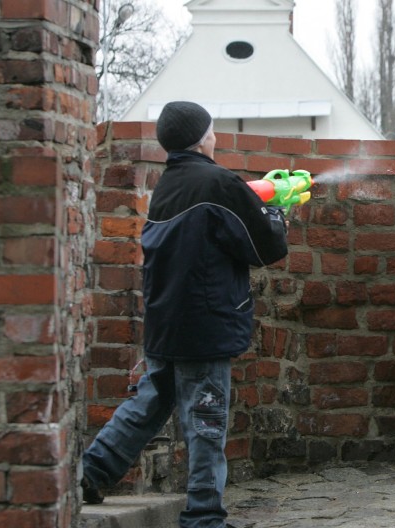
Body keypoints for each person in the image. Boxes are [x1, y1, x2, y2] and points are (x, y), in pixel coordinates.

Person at [80, 101, 289, 528]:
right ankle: (203, 517)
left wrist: (254, 199)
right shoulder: (218, 182)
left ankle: (90, 473)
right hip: (206, 326)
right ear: (201, 137)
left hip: (165, 322)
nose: (215, 137)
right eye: (212, 131)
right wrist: (277, 210)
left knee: (148, 404)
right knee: (207, 421)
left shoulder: (168, 184)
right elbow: (266, 247)